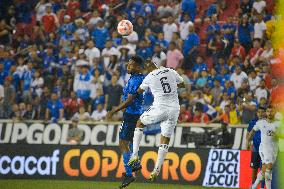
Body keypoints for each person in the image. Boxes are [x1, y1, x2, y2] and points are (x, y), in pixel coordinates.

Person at [127, 59, 185, 181]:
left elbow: (138, 91)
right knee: (165, 139)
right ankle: (156, 170)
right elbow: (182, 84)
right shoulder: (170, 70)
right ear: (156, 65)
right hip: (174, 109)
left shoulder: (149, 77)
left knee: (140, 122)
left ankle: (135, 155)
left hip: (160, 108)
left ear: (147, 68)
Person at [106, 56, 145, 188]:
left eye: (131, 65)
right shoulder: (139, 78)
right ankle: (135, 163)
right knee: (130, 142)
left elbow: (130, 100)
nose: (128, 67)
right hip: (136, 114)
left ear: (138, 67)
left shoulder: (135, 80)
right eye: (128, 65)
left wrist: (114, 110)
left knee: (123, 143)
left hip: (131, 115)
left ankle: (129, 174)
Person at [247, 106, 281, 189]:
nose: (269, 113)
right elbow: (252, 131)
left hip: (274, 149)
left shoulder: (279, 124)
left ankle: (253, 186)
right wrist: (248, 140)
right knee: (268, 169)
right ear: (266, 112)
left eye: (271, 111)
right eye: (268, 111)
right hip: (263, 148)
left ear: (275, 112)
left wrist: (277, 135)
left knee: (264, 170)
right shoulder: (261, 123)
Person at [246, 107, 266, 189]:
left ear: (265, 113)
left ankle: (262, 187)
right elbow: (248, 134)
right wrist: (247, 143)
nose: (260, 114)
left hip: (265, 150)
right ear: (257, 113)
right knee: (254, 169)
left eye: (262, 112)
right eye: (259, 112)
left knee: (264, 170)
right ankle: (253, 185)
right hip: (255, 149)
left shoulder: (267, 122)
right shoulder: (252, 122)